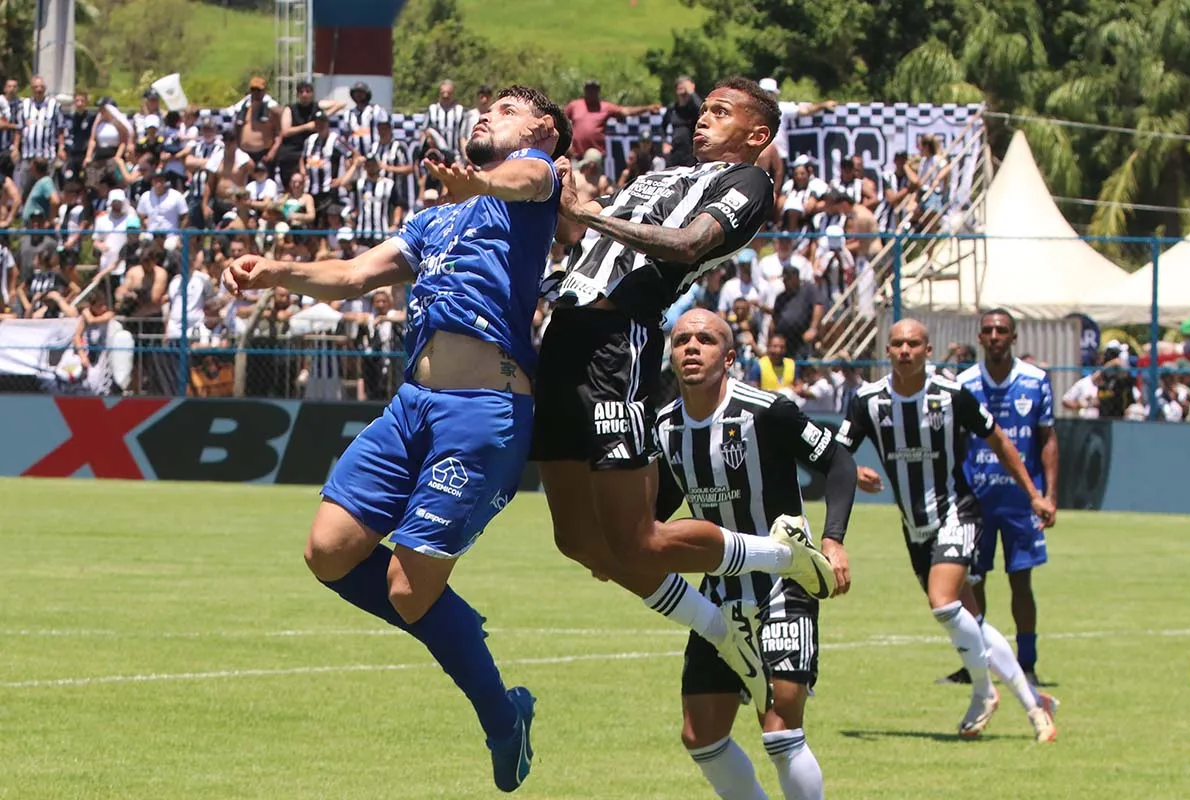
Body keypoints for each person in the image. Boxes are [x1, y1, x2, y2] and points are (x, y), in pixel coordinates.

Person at [220, 85, 571, 793]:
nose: (486, 116)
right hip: (412, 405)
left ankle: (503, 718)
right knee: (328, 551)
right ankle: (454, 619)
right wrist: (277, 271)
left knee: (411, 592)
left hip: (483, 411)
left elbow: (525, 177)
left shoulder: (537, 183)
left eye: (505, 109)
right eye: (484, 109)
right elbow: (352, 275)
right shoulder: (437, 221)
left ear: (545, 130)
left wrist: (482, 179)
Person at [538, 76, 834, 715]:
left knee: (637, 540)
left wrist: (591, 211)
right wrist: (568, 196)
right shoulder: (658, 179)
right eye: (703, 110)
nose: (703, 120)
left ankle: (782, 554)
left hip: (619, 342)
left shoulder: (749, 184)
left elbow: (690, 244)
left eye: (720, 112)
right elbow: (582, 241)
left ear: (757, 135)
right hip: (563, 333)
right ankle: (727, 635)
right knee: (577, 541)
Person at [654, 309, 858, 800]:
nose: (691, 347)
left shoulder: (768, 411)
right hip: (720, 590)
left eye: (705, 339)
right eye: (682, 339)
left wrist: (832, 538)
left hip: (785, 580)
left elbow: (838, 462)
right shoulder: (663, 428)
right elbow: (658, 508)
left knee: (780, 727)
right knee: (700, 735)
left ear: (728, 357)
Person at [840, 319, 1058, 742]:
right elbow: (833, 454)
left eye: (913, 344)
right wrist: (852, 471)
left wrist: (1033, 492)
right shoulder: (867, 401)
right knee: (971, 618)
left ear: (928, 351)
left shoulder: (952, 394)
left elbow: (998, 439)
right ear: (889, 350)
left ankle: (982, 693)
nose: (905, 350)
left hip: (957, 511)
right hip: (914, 526)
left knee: (942, 603)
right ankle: (1035, 705)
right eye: (897, 343)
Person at [944, 309, 1057, 688]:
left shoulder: (1036, 381)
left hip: (1020, 502)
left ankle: (1027, 663)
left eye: (1002, 331)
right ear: (979, 338)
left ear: (1014, 337)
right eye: (988, 330)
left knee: (1020, 581)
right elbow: (955, 444)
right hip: (975, 500)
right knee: (971, 582)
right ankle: (974, 664)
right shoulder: (964, 384)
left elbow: (1047, 439)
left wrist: (1048, 495)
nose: (994, 336)